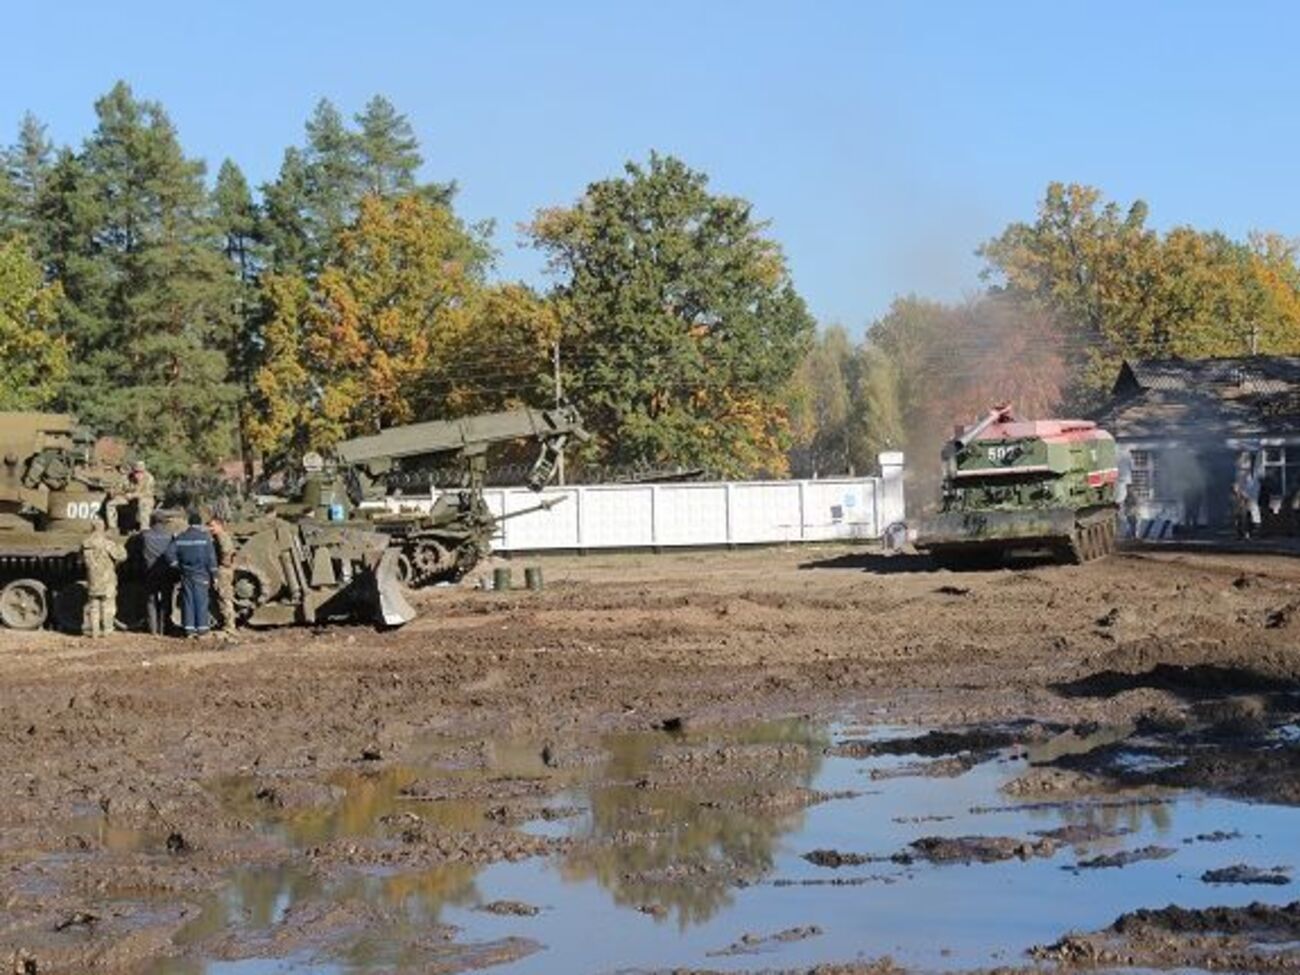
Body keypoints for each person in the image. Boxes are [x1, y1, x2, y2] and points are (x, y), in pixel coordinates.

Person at [166, 511, 217, 638]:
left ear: (189, 523)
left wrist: (177, 566)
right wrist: (214, 575)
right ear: (200, 524)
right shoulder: (205, 538)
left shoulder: (181, 537)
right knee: (202, 601)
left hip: (186, 574)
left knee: (188, 601)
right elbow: (211, 558)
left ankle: (188, 630)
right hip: (201, 574)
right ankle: (202, 630)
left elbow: (168, 553)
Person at [81, 521, 126, 638]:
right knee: (108, 605)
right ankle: (107, 630)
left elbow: (80, 558)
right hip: (107, 579)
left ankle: (94, 631)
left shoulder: (85, 543)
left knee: (93, 606)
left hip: (92, 578)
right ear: (103, 528)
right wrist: (119, 543)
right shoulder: (108, 543)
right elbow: (121, 556)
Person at [140, 512, 175, 635]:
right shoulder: (170, 535)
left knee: (151, 600)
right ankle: (164, 628)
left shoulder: (145, 535)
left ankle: (153, 629)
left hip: (150, 571)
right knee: (166, 600)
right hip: (166, 571)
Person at [208, 515, 238, 636]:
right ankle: (226, 624)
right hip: (224, 570)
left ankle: (230, 626)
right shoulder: (219, 536)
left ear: (219, 525)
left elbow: (227, 552)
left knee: (224, 597)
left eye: (212, 526)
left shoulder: (222, 537)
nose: (210, 528)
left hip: (223, 572)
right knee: (222, 597)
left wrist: (223, 565)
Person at [129, 460, 156, 529]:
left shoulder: (149, 478)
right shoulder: (132, 477)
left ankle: (144, 529)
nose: (138, 474)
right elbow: (129, 487)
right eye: (136, 471)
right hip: (134, 498)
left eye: (140, 471)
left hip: (146, 499)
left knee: (144, 503)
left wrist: (133, 495)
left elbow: (147, 493)